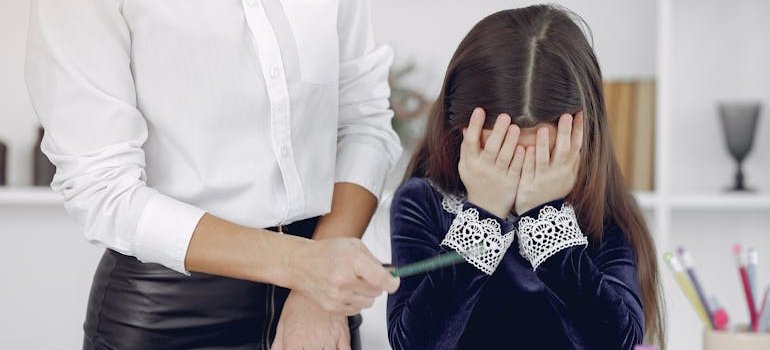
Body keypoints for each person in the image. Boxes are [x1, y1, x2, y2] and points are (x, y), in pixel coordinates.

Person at [24, 0, 401, 349]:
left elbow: (364, 123)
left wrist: (318, 295)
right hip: (170, 317)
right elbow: (104, 189)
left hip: (320, 305)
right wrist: (305, 268)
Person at [387, 5, 664, 349]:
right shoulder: (424, 201)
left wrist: (544, 213)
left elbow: (615, 342)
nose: (520, 167)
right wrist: (484, 211)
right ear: (462, 131)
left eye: (540, 151)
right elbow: (414, 344)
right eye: (502, 147)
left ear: (580, 136)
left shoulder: (597, 209)